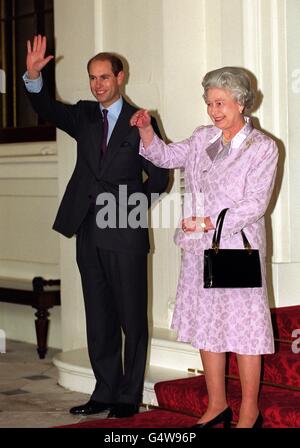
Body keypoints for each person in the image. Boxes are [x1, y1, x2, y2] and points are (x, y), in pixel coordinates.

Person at [23, 35, 169, 418]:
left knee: (131, 317)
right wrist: (33, 76)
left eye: (104, 77)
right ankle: (103, 390)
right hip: (87, 229)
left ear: (120, 78)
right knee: (99, 314)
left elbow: (159, 178)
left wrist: (128, 209)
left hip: (124, 229)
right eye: (92, 78)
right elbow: (47, 107)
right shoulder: (86, 115)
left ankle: (127, 396)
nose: (98, 84)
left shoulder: (142, 121)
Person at [131, 66, 278, 428]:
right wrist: (147, 130)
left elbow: (255, 203)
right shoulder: (201, 139)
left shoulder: (263, 148)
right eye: (209, 103)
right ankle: (216, 406)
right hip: (199, 249)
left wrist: (210, 221)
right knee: (209, 326)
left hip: (234, 249)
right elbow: (164, 157)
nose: (214, 111)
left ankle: (249, 411)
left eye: (221, 103)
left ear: (242, 102)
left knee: (243, 332)